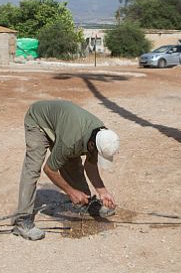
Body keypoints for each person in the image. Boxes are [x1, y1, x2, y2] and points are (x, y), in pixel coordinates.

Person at [13, 99, 120, 241]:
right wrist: (71, 192)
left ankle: (85, 204)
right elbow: (49, 169)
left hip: (63, 126)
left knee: (71, 161)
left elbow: (90, 165)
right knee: (33, 168)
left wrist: (103, 191)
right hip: (38, 121)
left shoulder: (100, 135)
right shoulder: (70, 141)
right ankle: (22, 221)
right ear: (92, 145)